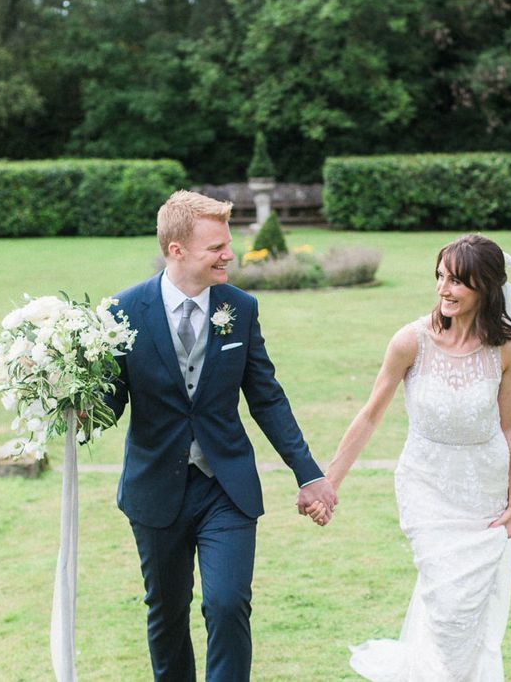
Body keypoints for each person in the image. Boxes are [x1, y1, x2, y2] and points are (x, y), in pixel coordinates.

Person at [103, 190, 337, 682]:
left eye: (227, 243)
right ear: (177, 250)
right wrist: (70, 404)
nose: (229, 254)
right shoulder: (123, 311)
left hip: (224, 487)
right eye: (216, 247)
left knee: (228, 604)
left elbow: (267, 398)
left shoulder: (240, 308)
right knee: (166, 613)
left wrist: (309, 473)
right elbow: (109, 404)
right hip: (155, 488)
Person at [307, 234, 511, 681]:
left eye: (457, 281)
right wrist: (329, 482)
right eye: (440, 277)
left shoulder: (507, 346)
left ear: (485, 287)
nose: (444, 289)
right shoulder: (411, 341)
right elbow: (370, 416)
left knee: (468, 611)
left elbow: (509, 424)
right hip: (426, 485)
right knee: (447, 604)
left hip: (483, 490)